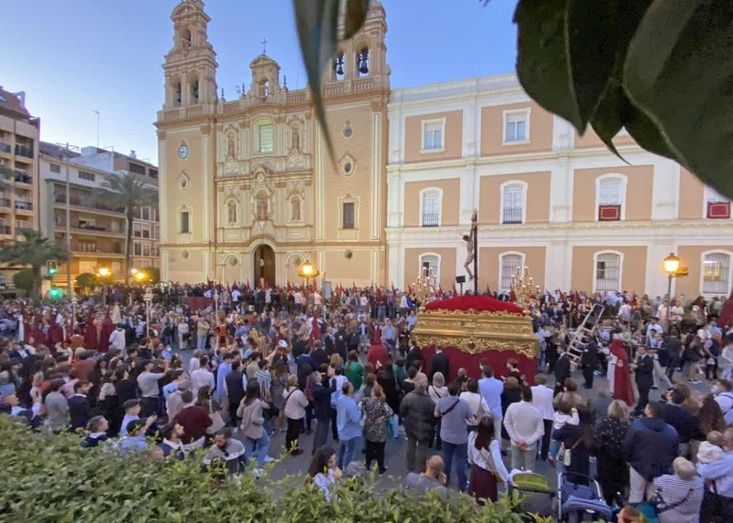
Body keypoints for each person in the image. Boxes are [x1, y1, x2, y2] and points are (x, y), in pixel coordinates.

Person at [623, 401, 679, 503]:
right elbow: (674, 451)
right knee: (653, 498)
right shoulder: (672, 431)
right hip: (660, 469)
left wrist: (629, 459)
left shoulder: (637, 426)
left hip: (638, 465)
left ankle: (632, 517)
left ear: (649, 410)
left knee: (636, 495)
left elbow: (627, 446)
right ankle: (650, 517)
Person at [434, 380, 474, 491]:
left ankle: (445, 480)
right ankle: (462, 484)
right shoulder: (464, 404)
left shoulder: (441, 402)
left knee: (447, 459)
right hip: (460, 437)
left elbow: (436, 414)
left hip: (446, 436)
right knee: (461, 461)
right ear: (458, 391)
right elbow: (471, 419)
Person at [593, 400, 630, 505]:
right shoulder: (627, 427)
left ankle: (606, 509)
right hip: (620, 463)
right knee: (619, 491)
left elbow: (596, 441)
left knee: (606, 490)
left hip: (604, 462)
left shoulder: (604, 423)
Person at [468, 415, 509, 504]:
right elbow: (498, 464)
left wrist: (471, 460)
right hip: (487, 474)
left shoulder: (472, 435)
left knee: (474, 499)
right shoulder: (493, 443)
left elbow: (469, 453)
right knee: (487, 503)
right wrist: (507, 479)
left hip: (475, 470)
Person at [503, 386, 544, 471]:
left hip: (515, 443)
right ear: (532, 397)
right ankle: (527, 484)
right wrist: (528, 442)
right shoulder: (537, 412)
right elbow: (540, 431)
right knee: (529, 468)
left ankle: (515, 484)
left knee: (515, 467)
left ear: (521, 395)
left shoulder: (512, 407)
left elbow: (507, 423)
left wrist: (515, 438)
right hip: (530, 445)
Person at [399, 377, 435, 473]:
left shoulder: (408, 397)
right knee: (423, 447)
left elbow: (402, 411)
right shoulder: (430, 401)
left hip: (411, 425)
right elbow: (434, 416)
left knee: (411, 444)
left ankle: (410, 465)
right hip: (425, 427)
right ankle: (421, 467)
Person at [652, 457, 704, 523]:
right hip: (692, 519)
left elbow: (655, 480)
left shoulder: (667, 480)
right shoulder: (699, 481)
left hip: (670, 518)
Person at [697, 427, 733, 522]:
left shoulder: (728, 460)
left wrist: (700, 463)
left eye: (725, 440)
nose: (722, 443)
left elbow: (704, 472)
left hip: (723, 499)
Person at [238, 381, 272, 475]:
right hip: (256, 428)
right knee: (266, 443)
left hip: (246, 428)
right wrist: (262, 420)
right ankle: (258, 466)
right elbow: (254, 419)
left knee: (248, 447)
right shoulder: (257, 402)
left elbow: (238, 413)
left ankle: (247, 466)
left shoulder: (244, 399)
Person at [361, 383, 393, 474]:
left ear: (373, 393)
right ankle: (381, 468)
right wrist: (383, 417)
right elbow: (390, 413)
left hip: (369, 428)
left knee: (369, 449)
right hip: (380, 430)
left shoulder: (367, 401)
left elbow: (361, 406)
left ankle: (367, 465)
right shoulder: (382, 403)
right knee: (380, 451)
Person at [335, 381, 362, 470]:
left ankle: (339, 466)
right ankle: (347, 468)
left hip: (341, 429)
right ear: (349, 390)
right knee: (349, 452)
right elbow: (356, 419)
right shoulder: (351, 403)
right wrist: (359, 411)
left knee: (341, 450)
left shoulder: (340, 398)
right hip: (350, 432)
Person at [310, 368, 336, 455]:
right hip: (324, 412)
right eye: (319, 374)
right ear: (317, 378)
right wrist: (333, 378)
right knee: (323, 433)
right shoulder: (320, 390)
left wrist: (327, 376)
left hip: (319, 410)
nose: (321, 375)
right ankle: (319, 452)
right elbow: (332, 389)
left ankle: (315, 449)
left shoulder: (315, 387)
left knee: (318, 431)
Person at [283, 374, 309, 455]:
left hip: (288, 412)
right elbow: (305, 403)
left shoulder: (285, 390)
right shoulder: (298, 393)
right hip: (296, 414)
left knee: (289, 430)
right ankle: (294, 450)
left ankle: (287, 447)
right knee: (295, 434)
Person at [530, 374, 554, 461]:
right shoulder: (550, 391)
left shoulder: (532, 389)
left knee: (535, 435)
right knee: (546, 437)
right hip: (548, 415)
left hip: (536, 414)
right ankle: (544, 455)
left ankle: (534, 454)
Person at [478, 365, 504, 443]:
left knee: (482, 432)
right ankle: (498, 450)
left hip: (484, 411)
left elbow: (479, 394)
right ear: (492, 373)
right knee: (497, 433)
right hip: (496, 411)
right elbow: (501, 392)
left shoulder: (480, 382)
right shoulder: (500, 383)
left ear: (483, 373)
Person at [610, 338, 635, 406]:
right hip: (621, 370)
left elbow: (620, 364)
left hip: (620, 372)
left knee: (620, 385)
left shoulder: (618, 352)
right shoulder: (621, 351)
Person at [633, 346, 654, 416]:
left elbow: (648, 370)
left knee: (643, 396)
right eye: (638, 349)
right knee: (642, 395)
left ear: (645, 350)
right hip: (639, 380)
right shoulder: (639, 358)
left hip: (646, 381)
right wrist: (634, 367)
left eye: (641, 349)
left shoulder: (649, 359)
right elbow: (636, 368)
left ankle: (639, 410)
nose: (639, 351)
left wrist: (638, 367)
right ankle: (646, 408)